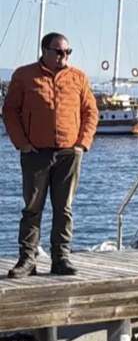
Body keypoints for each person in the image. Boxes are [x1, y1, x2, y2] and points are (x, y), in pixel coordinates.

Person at [2, 32, 99, 277]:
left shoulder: (78, 77)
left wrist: (82, 144)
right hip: (35, 152)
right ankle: (27, 260)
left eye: (67, 52)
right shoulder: (24, 76)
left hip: (69, 153)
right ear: (45, 51)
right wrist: (21, 143)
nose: (63, 56)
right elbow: (10, 111)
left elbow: (90, 112)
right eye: (59, 52)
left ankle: (61, 259)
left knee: (63, 209)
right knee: (32, 208)